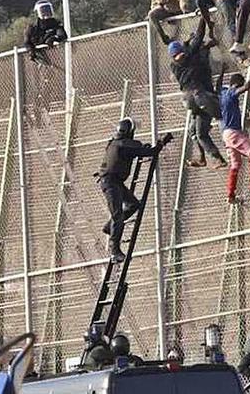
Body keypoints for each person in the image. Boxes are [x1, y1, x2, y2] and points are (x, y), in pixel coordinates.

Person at [153, 14, 227, 169]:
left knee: (196, 132)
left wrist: (188, 42)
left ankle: (209, 157)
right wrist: (202, 16)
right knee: (224, 117)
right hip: (200, 96)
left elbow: (189, 48)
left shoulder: (173, 65)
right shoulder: (191, 55)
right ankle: (231, 141)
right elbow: (200, 36)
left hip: (187, 100)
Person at [95, 118, 165, 262]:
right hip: (110, 183)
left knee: (133, 205)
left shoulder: (114, 143)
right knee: (118, 215)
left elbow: (137, 150)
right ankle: (114, 251)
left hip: (115, 182)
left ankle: (110, 227)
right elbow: (148, 152)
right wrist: (160, 144)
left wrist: (143, 149)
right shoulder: (124, 145)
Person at [217, 62, 250, 205]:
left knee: (235, 164)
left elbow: (217, 86)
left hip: (226, 134)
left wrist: (222, 71)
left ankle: (230, 195)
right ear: (237, 84)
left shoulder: (222, 92)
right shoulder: (231, 94)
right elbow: (245, 87)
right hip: (233, 132)